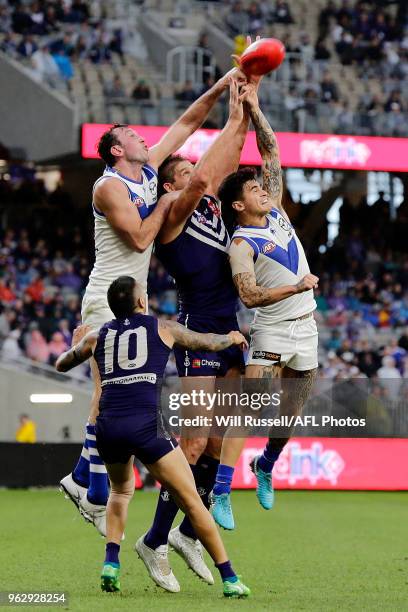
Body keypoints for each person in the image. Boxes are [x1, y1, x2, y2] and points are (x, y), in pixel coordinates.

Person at [59, 67, 248, 537]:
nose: (146, 139)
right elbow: (143, 238)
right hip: (106, 297)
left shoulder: (143, 173)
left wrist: (222, 85)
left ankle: (84, 479)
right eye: (133, 137)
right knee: (109, 394)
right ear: (117, 150)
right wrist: (170, 201)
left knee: (118, 394)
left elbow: (185, 123)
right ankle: (88, 485)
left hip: (130, 299)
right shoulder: (108, 186)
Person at [136, 73, 258, 591]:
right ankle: (154, 541)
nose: (195, 173)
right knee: (190, 444)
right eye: (184, 169)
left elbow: (223, 165)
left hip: (230, 327)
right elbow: (207, 176)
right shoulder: (171, 216)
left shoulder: (208, 203)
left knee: (216, 444)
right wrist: (230, 119)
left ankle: (187, 533)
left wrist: (246, 108)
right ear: (170, 184)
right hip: (197, 331)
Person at [55, 276, 250, 598]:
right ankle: (229, 577)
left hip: (108, 427)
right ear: (141, 302)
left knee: (120, 491)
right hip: (146, 427)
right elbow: (206, 343)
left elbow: (62, 364)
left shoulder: (97, 335)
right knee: (191, 500)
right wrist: (230, 338)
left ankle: (111, 562)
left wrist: (78, 345)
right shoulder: (164, 328)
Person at [210, 86, 319, 530]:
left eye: (260, 186)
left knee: (292, 409)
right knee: (250, 409)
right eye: (254, 189)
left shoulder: (274, 211)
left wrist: (254, 107)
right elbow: (250, 297)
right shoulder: (240, 244)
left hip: (305, 326)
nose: (263, 190)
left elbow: (270, 150)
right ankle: (221, 490)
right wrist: (296, 286)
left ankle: (265, 466)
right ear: (239, 205)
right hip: (272, 330)